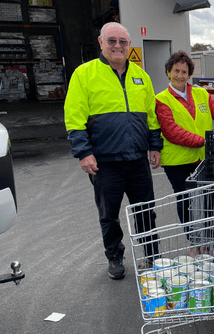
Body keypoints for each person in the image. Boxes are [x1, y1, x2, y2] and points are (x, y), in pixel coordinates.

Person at [64, 22, 162, 280]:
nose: (118, 46)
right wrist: (84, 153)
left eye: (123, 42)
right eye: (112, 41)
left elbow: (151, 116)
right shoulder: (84, 74)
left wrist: (155, 145)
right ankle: (115, 257)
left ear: (129, 45)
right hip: (104, 162)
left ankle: (152, 256)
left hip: (137, 159)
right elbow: (74, 119)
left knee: (145, 211)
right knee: (109, 215)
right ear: (101, 42)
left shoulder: (141, 77)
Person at [155, 51, 214, 252]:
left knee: (211, 198)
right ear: (168, 72)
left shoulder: (201, 94)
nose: (180, 75)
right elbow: (172, 132)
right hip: (177, 162)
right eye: (176, 71)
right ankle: (193, 240)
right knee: (185, 200)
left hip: (202, 158)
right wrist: (207, 142)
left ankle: (208, 238)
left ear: (189, 74)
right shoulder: (161, 100)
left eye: (184, 71)